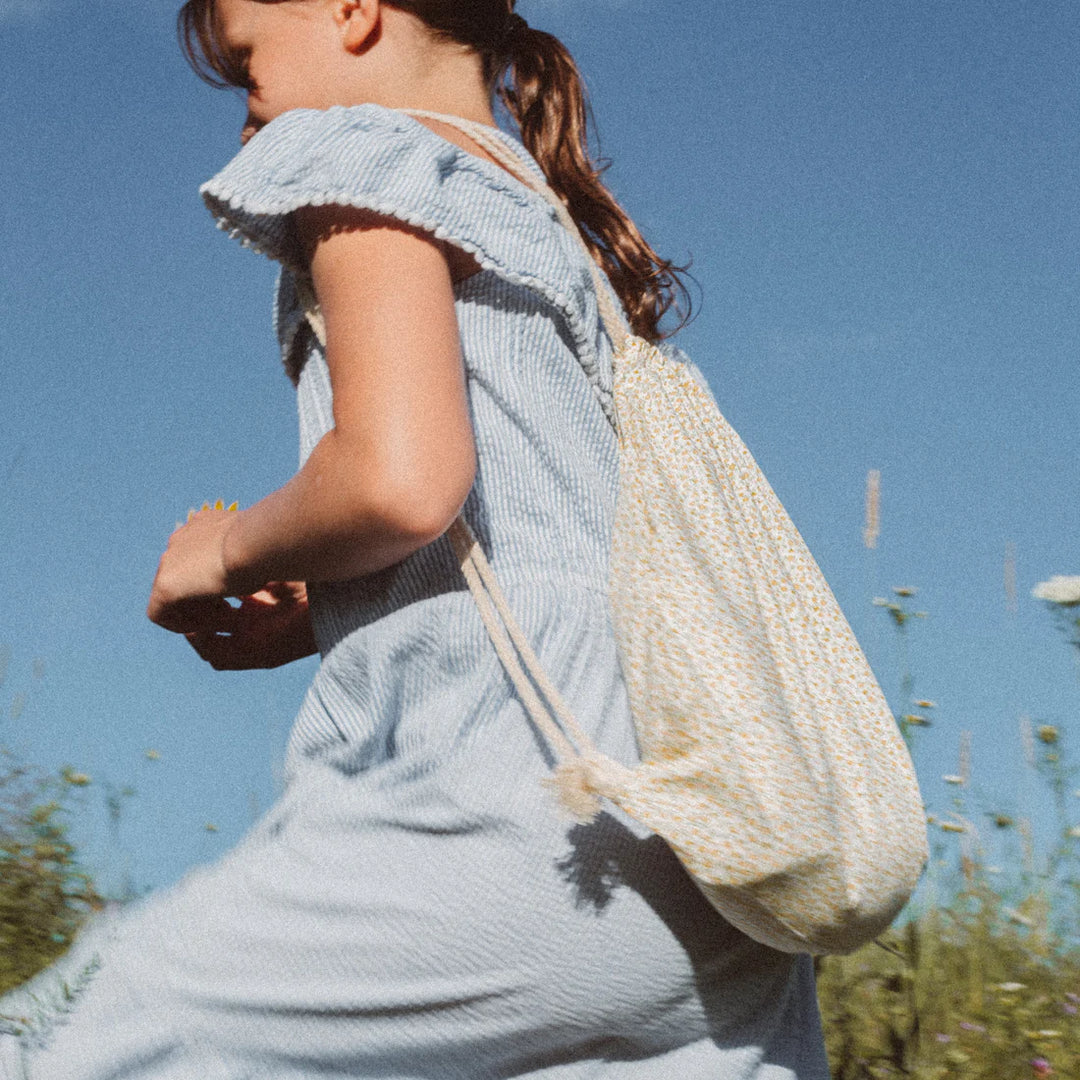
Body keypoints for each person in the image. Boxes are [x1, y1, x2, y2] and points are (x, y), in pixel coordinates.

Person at [0, 2, 832, 1076]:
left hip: (499, 819)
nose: (249, 119)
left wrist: (227, 551)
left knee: (75, 1032)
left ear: (351, 10)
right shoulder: (552, 230)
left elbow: (399, 483)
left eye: (247, 68)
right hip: (709, 863)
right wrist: (329, 601)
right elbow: (535, 536)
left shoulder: (362, 153)